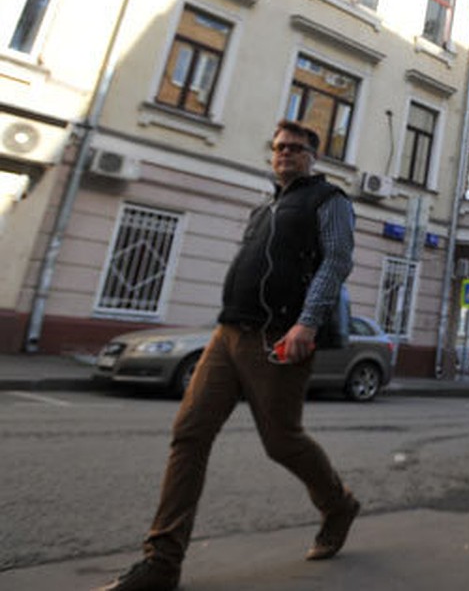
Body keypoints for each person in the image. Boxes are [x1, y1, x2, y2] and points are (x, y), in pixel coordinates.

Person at [99, 120, 360, 591]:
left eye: (295, 149)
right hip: (228, 333)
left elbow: (337, 259)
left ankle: (338, 504)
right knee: (189, 433)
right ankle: (162, 562)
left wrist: (307, 321)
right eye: (278, 147)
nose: (284, 154)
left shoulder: (329, 201)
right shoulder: (265, 206)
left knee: (282, 441)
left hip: (278, 337)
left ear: (313, 156)